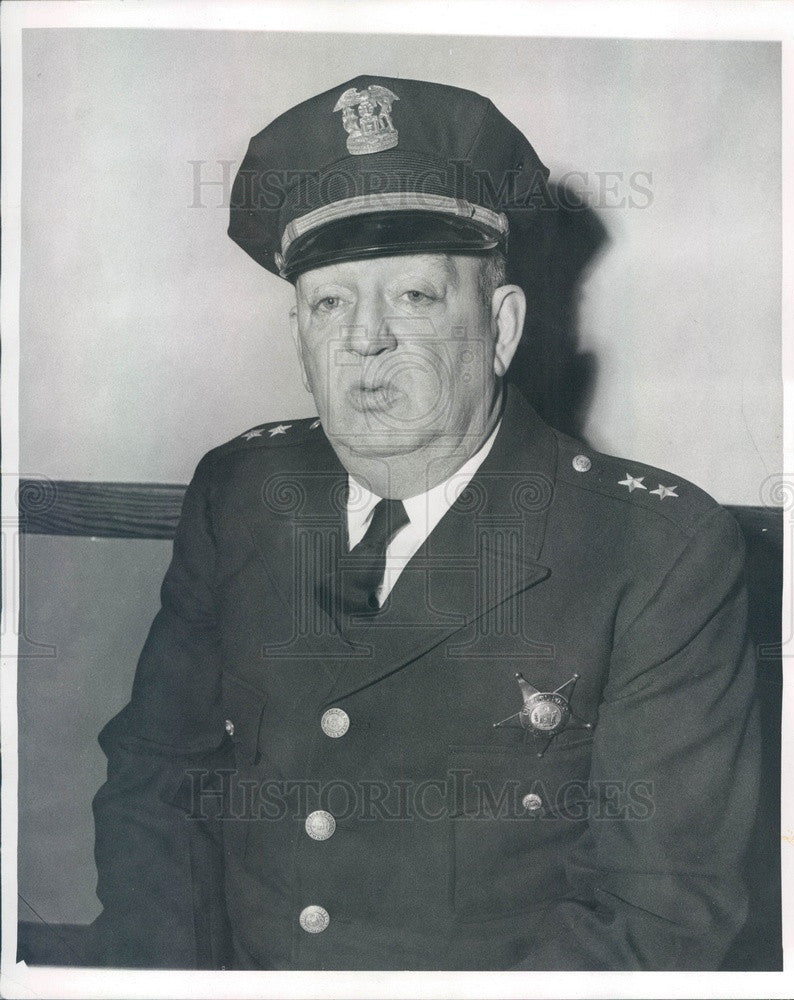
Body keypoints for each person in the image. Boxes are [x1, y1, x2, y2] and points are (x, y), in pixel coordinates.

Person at [91, 75, 759, 971]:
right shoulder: (241, 492)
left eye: (413, 297)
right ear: (299, 334)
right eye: (330, 302)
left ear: (502, 326)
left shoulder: (658, 553)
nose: (364, 340)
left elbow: (658, 916)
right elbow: (153, 786)